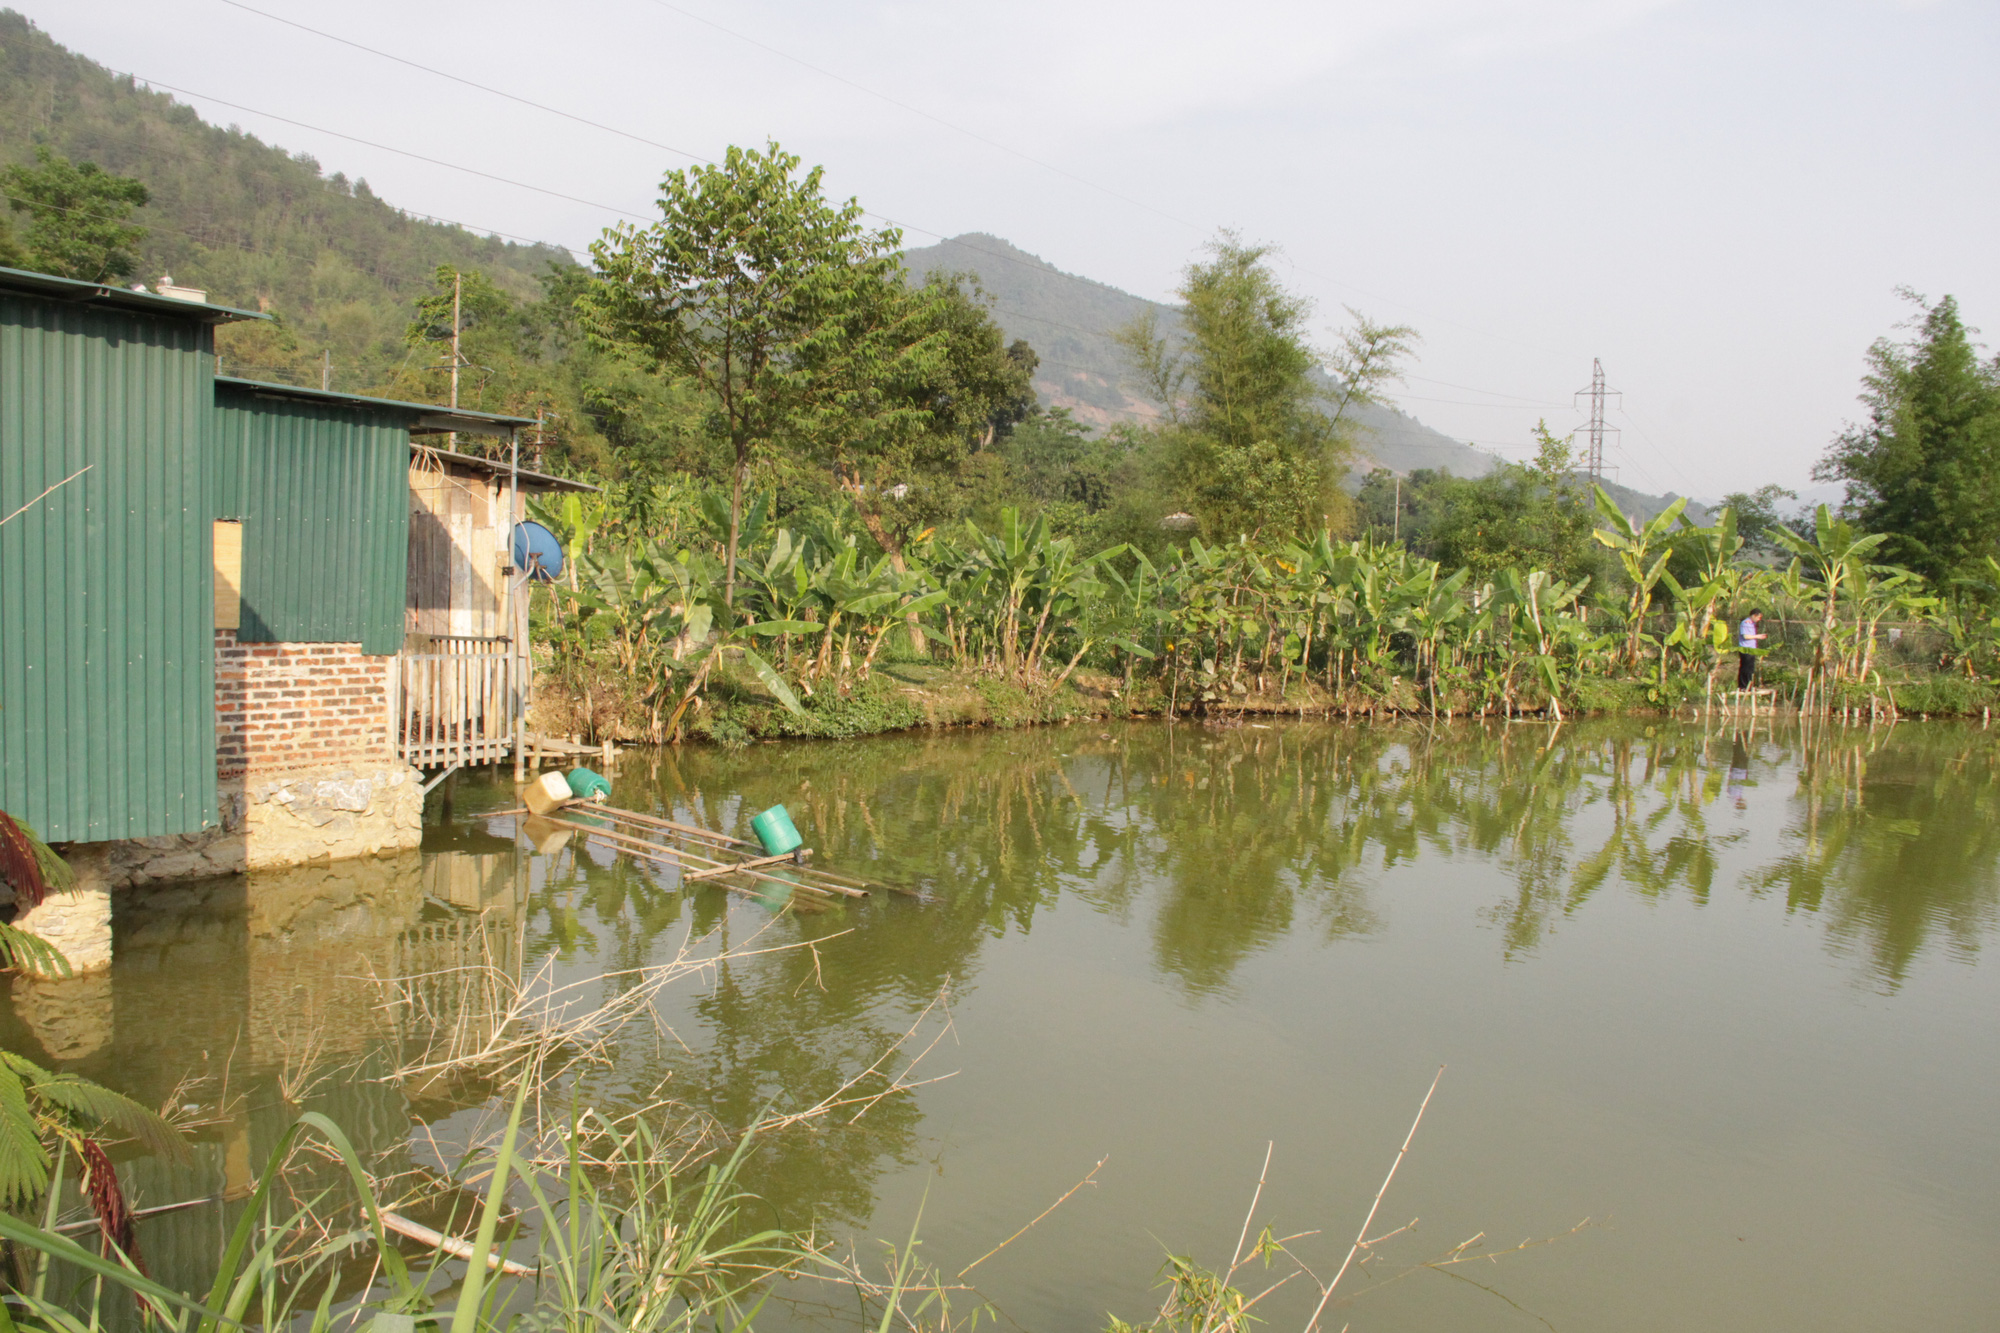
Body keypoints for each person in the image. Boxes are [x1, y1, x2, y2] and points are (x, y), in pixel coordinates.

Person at [1736, 609, 1765, 689]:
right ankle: (1743, 686)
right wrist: (1758, 636)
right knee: (1746, 668)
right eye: (1758, 617)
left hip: (1752, 649)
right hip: (1746, 649)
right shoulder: (1745, 623)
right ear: (1754, 615)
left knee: (1750, 668)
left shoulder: (1752, 623)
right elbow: (1746, 636)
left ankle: (1749, 685)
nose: (1759, 619)